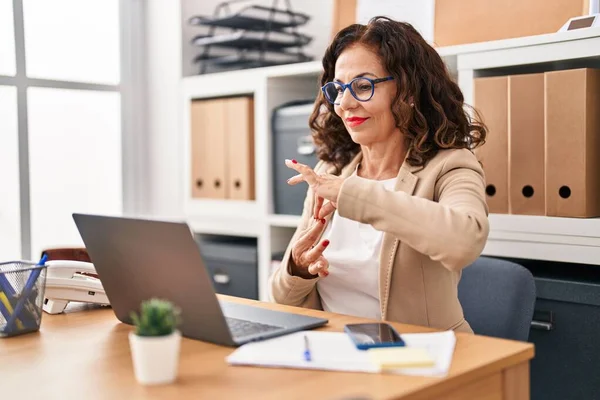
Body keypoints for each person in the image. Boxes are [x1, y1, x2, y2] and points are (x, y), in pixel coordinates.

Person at [269, 16, 489, 333]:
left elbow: (466, 241)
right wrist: (299, 269)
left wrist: (352, 194)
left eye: (362, 86)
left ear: (409, 91)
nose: (344, 104)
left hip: (420, 357)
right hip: (332, 352)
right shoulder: (330, 172)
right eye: (338, 89)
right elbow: (277, 298)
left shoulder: (450, 164)